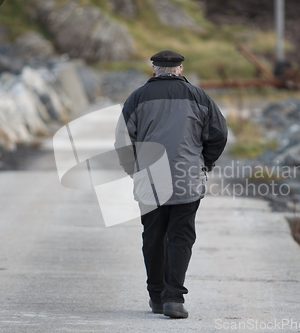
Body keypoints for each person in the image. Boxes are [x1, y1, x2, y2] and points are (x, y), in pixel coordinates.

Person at [114, 50, 227, 319]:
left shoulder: (138, 97)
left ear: (154, 69)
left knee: (153, 237)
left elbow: (122, 141)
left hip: (149, 181)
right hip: (186, 180)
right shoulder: (200, 97)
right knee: (181, 237)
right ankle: (173, 299)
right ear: (180, 69)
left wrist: (134, 171)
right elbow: (219, 135)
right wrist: (204, 164)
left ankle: (156, 297)